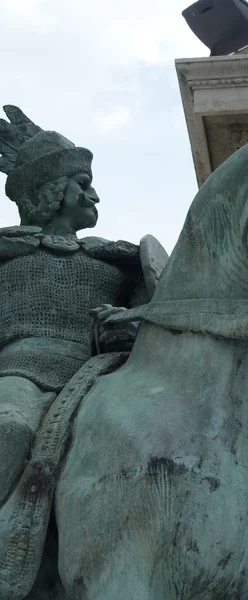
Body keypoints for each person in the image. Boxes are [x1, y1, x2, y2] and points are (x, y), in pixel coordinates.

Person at [0, 105, 148, 506]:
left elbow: (154, 324)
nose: (94, 194)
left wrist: (127, 326)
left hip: (101, 379)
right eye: (82, 183)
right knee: (9, 430)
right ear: (51, 190)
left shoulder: (118, 260)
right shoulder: (6, 253)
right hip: (19, 374)